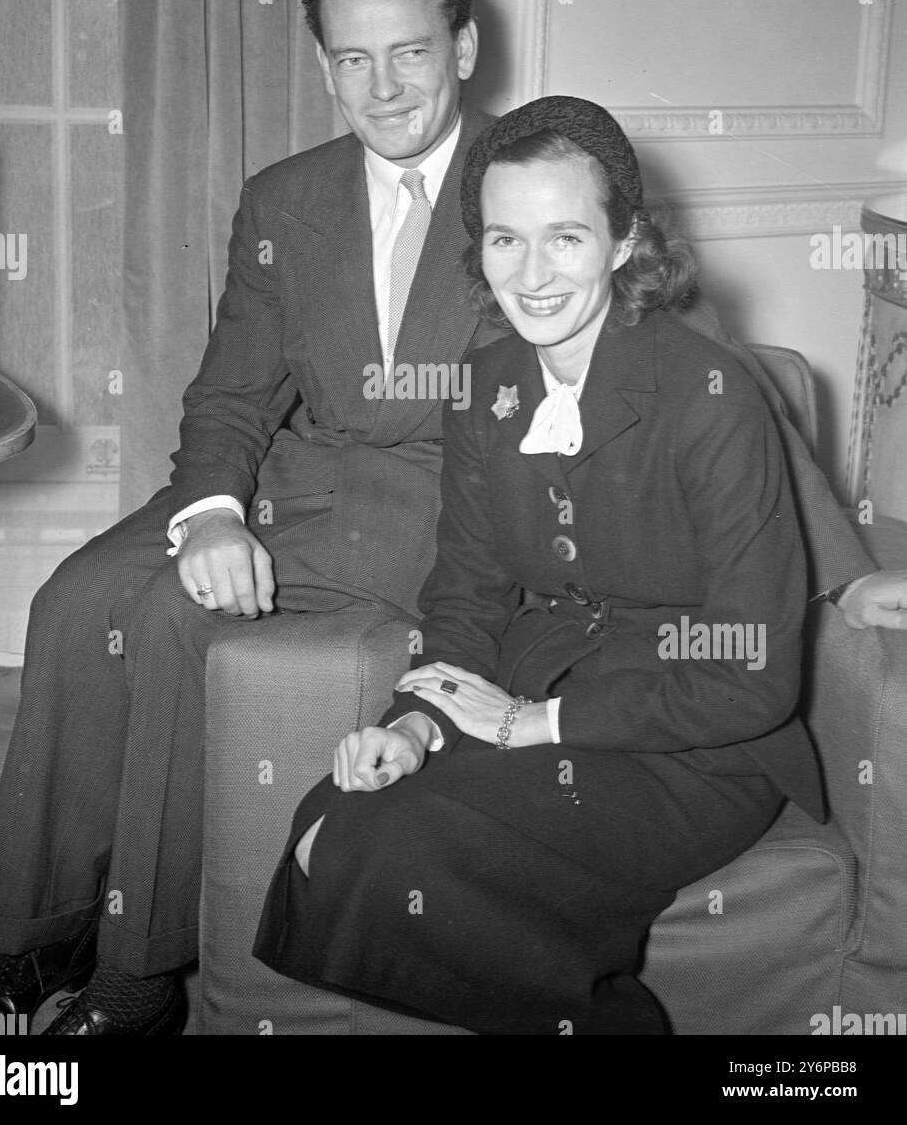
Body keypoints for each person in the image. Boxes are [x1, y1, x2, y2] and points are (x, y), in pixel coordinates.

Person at [0, 0, 905, 1037]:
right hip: (297, 480)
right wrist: (212, 509)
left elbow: (707, 362)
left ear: (460, 47)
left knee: (170, 622)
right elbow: (228, 394)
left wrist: (838, 572)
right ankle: (50, 926)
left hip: (441, 494)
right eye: (352, 60)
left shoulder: (536, 170)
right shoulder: (283, 197)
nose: (383, 86)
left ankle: (137, 967)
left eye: (407, 52)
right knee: (73, 602)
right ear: (322, 67)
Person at [252, 96, 828, 1036]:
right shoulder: (485, 390)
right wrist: (419, 724)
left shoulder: (712, 398)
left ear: (624, 240)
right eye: (505, 240)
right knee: (331, 825)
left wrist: (536, 724)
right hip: (534, 695)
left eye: (566, 237)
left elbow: (754, 674)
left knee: (403, 849)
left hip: (699, 742)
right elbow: (468, 597)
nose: (532, 273)